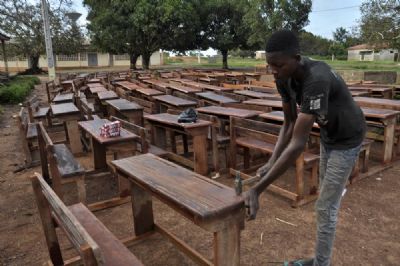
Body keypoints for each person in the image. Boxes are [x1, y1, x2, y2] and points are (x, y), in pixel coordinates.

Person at [245, 30, 366, 266]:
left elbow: (298, 143)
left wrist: (257, 190)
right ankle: (321, 259)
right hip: (329, 135)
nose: (273, 71)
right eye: (269, 65)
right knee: (325, 196)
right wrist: (270, 163)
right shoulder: (283, 78)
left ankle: (321, 263)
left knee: (325, 208)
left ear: (297, 58)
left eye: (278, 65)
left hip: (348, 138)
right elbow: (289, 123)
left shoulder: (316, 78)